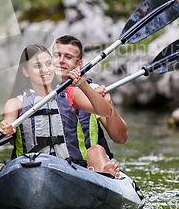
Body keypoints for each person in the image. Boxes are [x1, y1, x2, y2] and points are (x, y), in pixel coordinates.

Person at [0, 44, 118, 176]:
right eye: (37, 66)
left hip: (72, 169)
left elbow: (106, 111)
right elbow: (7, 123)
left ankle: (98, 172)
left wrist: (83, 84)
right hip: (31, 170)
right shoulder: (15, 103)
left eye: (49, 64)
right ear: (25, 72)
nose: (45, 70)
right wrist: (6, 128)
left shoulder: (71, 94)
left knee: (98, 150)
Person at [52, 35, 127, 164]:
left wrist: (109, 104)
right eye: (57, 55)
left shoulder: (93, 91)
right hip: (54, 162)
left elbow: (120, 138)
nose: (61, 60)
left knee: (97, 151)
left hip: (90, 163)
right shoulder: (37, 94)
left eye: (68, 57)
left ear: (79, 64)